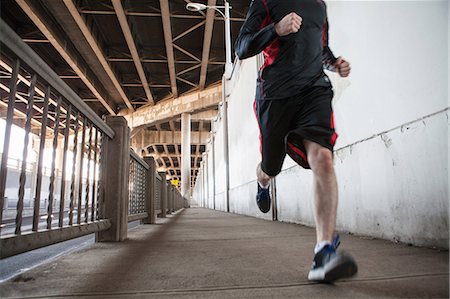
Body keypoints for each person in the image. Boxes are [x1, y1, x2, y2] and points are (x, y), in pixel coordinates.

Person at [235, 0, 357, 282]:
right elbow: (242, 47)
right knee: (271, 166)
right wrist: (276, 29)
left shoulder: (319, 5)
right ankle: (262, 180)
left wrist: (334, 63)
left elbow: (320, 46)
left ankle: (324, 252)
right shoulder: (265, 2)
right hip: (275, 96)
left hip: (314, 91)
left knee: (323, 159)